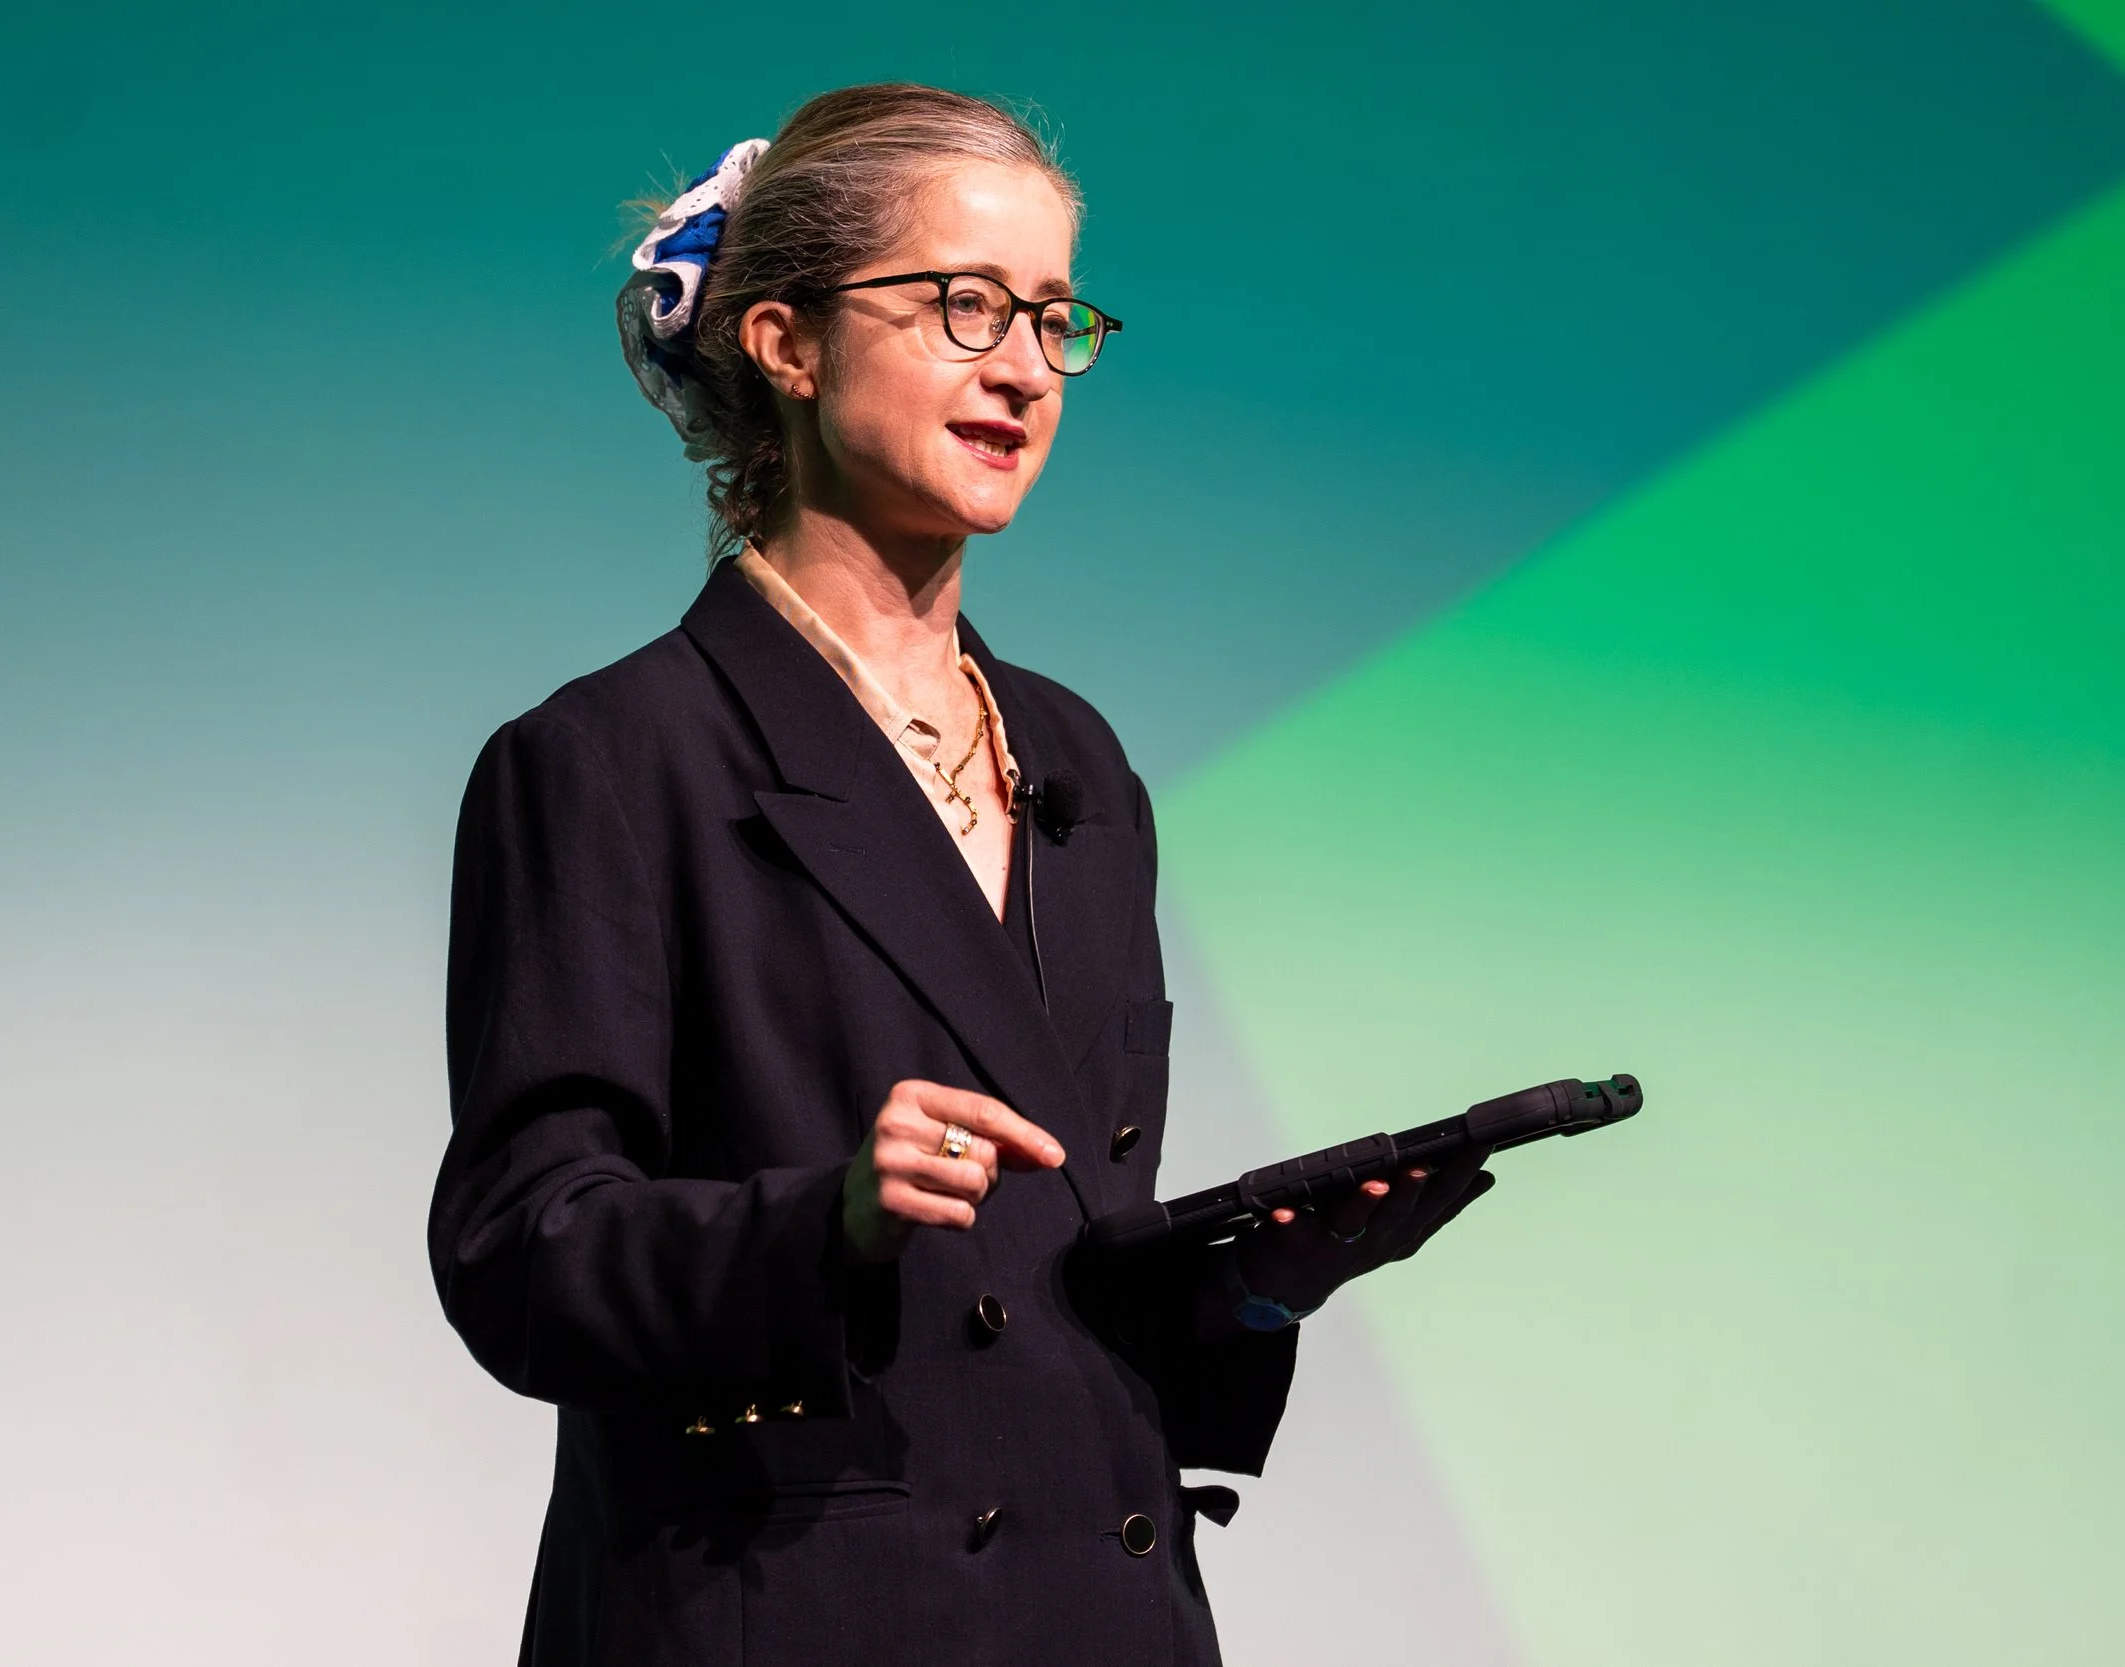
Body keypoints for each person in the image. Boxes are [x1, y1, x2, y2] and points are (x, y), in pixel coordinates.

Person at [428, 83, 1496, 1667]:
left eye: (1054, 319)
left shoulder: (1077, 758)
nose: (1022, 367)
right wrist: (829, 1215)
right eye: (962, 305)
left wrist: (1255, 1284)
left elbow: (1056, 1283)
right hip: (787, 1612)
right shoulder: (611, 757)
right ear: (786, 343)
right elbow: (523, 1255)